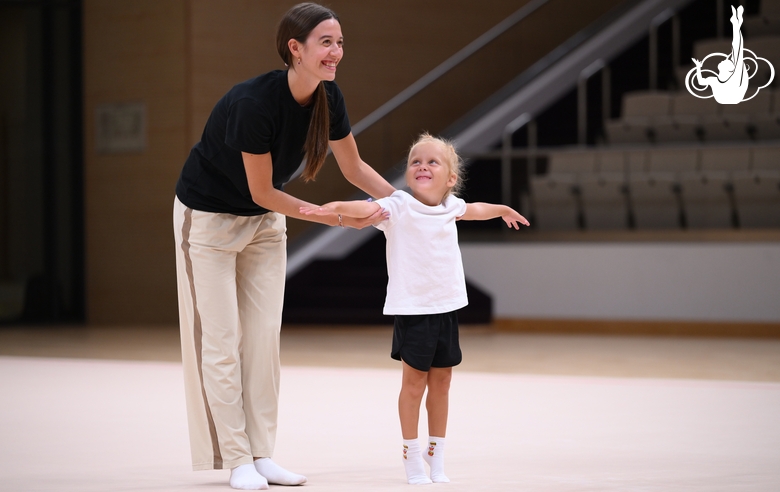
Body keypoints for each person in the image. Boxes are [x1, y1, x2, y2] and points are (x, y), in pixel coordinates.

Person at [172, 3, 394, 490]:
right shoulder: (253, 102)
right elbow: (263, 191)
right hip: (207, 221)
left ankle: (261, 454)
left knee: (263, 340)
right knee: (221, 342)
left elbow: (354, 169)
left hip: (264, 225)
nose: (336, 52)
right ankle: (235, 459)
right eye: (326, 43)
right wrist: (335, 216)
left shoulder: (329, 98)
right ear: (295, 49)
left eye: (339, 43)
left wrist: (403, 206)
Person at [300, 133, 529, 484]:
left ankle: (435, 455)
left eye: (432, 161)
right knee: (413, 384)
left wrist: (502, 210)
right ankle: (410, 455)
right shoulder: (399, 205)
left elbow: (476, 210)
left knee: (443, 383)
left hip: (447, 309)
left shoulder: (451, 207)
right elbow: (368, 209)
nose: (422, 165)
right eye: (415, 162)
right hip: (413, 311)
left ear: (450, 179)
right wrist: (339, 207)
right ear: (408, 175)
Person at [691, 5, 748, 104]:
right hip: (725, 99)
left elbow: (737, 47)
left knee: (737, 51)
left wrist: (736, 26)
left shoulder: (735, 78)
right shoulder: (714, 80)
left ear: (730, 69)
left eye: (728, 61)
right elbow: (700, 82)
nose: (725, 59)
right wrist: (698, 67)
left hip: (734, 97)